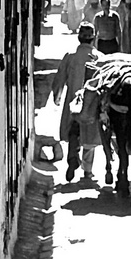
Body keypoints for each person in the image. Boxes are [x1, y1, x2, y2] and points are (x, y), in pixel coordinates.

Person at [51, 23, 101, 182]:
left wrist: (57, 96)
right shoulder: (98, 57)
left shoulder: (70, 56)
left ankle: (72, 158)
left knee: (73, 132)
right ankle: (87, 171)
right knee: (89, 135)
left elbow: (59, 78)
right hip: (91, 103)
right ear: (94, 38)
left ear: (79, 38)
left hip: (73, 101)